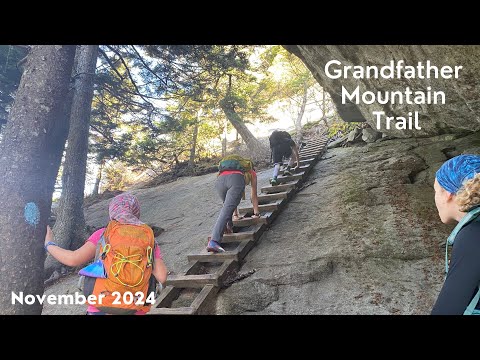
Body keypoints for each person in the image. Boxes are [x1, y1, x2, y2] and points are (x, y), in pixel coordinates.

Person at [44, 193, 168, 315]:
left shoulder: (103, 234)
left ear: (112, 211)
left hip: (101, 305)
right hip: (135, 306)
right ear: (135, 211)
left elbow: (73, 259)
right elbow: (162, 277)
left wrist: (49, 244)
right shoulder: (147, 239)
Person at [431, 154, 480, 315]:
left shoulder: (473, 234)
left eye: (436, 191)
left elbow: (448, 309)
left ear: (448, 194)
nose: (435, 198)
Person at [207, 155, 261, 253]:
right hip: (235, 180)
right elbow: (254, 195)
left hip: (220, 180)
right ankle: (214, 241)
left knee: (227, 207)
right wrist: (256, 213)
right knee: (227, 208)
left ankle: (229, 226)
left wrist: (235, 215)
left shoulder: (228, 168)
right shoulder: (251, 172)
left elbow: (231, 203)